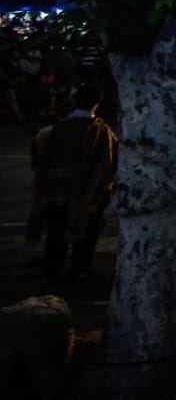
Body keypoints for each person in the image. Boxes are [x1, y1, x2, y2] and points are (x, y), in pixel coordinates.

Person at [29, 84, 116, 281]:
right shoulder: (101, 130)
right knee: (87, 232)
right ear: (97, 104)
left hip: (56, 190)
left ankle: (53, 269)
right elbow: (107, 164)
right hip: (86, 192)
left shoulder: (57, 129)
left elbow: (42, 161)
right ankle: (79, 269)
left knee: (56, 231)